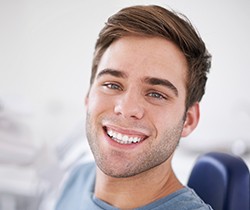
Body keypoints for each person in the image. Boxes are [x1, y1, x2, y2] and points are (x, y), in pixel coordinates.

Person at [55, 5, 212, 210]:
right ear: (88, 95)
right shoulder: (78, 178)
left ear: (189, 120)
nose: (126, 108)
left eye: (156, 94)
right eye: (112, 85)